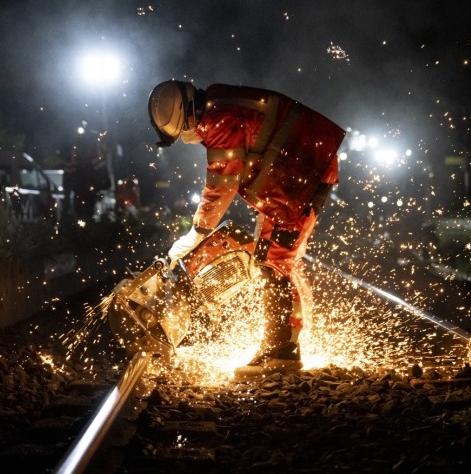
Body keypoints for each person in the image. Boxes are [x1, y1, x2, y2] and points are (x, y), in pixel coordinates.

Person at [147, 80, 344, 377]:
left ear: (184, 115)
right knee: (277, 260)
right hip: (295, 173)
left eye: (182, 131)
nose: (188, 138)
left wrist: (197, 232)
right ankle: (288, 342)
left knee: (274, 264)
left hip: (302, 173)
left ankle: (280, 353)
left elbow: (222, 181)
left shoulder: (220, 119)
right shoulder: (221, 103)